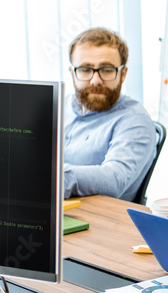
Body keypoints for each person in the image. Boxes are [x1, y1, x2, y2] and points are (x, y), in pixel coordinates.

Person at [63, 27, 157, 201]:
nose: (96, 80)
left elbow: (114, 178)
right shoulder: (59, 106)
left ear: (123, 74)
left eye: (106, 70)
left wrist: (51, 177)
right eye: (85, 69)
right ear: (72, 73)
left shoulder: (135, 120)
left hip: (100, 222)